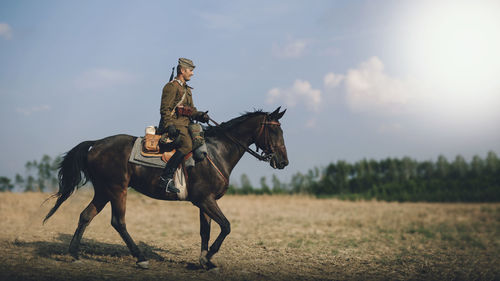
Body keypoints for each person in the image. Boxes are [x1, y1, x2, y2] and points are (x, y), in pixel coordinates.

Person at [158, 58, 209, 193]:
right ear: (182, 70)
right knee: (187, 145)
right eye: (190, 70)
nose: (192, 73)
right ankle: (166, 178)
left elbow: (191, 110)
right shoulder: (171, 87)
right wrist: (169, 125)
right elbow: (165, 109)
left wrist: (200, 115)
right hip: (176, 125)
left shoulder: (187, 89)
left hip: (186, 124)